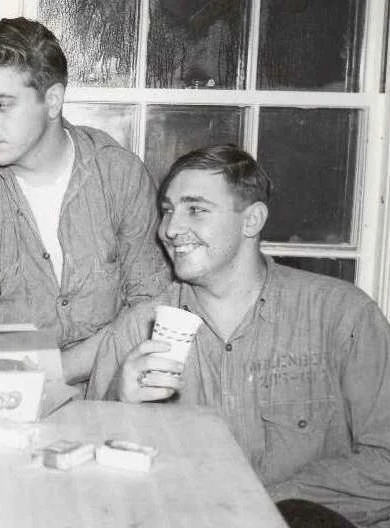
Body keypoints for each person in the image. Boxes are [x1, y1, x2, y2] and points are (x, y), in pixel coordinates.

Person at [87, 145, 390, 527]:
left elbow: (386, 464)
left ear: (252, 220)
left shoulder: (341, 315)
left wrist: (256, 504)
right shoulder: (136, 330)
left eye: (195, 209)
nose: (170, 229)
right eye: (167, 210)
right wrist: (118, 403)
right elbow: (91, 481)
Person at [0, 17, 170, 384]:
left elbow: (152, 309)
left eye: (1, 104)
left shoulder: (120, 175)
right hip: (9, 392)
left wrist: (56, 371)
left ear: (53, 100)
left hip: (115, 388)